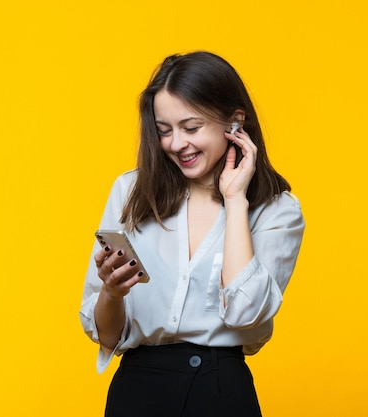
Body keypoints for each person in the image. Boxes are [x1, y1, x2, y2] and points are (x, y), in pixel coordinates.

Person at [80, 51, 305, 417]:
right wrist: (112, 291)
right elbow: (106, 337)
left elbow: (247, 314)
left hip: (220, 391)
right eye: (164, 130)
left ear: (235, 122)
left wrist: (235, 201)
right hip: (136, 392)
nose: (176, 144)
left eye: (191, 127)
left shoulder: (277, 209)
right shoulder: (130, 192)